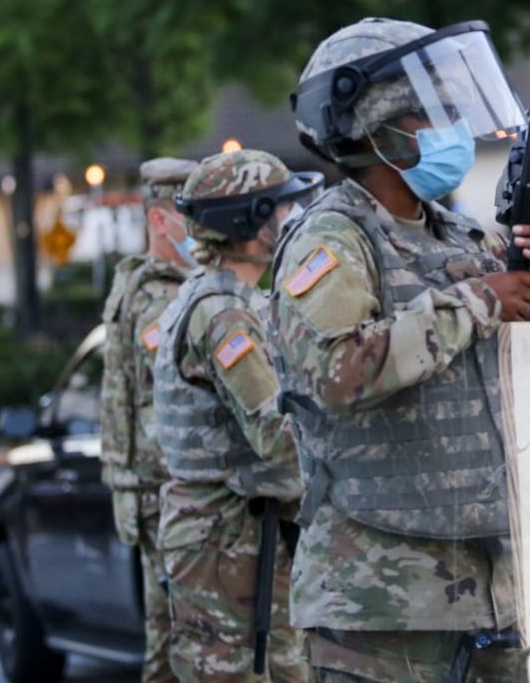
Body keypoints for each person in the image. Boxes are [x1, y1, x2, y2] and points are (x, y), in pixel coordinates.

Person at [271, 17, 530, 680]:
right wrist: (477, 302)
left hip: (489, 585)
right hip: (382, 602)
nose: (452, 130)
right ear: (377, 131)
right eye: (429, 114)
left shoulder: (461, 236)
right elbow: (336, 372)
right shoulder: (331, 240)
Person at [149, 149, 321, 682]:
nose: (292, 220)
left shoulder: (227, 299)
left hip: (233, 536)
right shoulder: (224, 314)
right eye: (282, 209)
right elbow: (277, 435)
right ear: (250, 220)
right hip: (225, 543)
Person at [99, 156, 199, 683]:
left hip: (152, 487)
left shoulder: (141, 284)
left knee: (173, 635)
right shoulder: (159, 296)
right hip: (163, 488)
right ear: (160, 222)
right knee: (180, 639)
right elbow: (182, 383)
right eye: (190, 213)